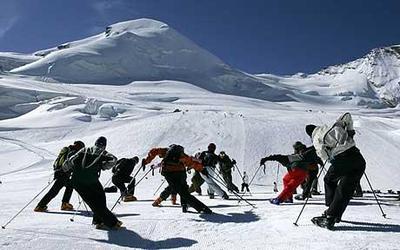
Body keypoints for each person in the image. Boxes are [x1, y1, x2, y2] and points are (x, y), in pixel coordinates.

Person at [306, 112, 366, 230]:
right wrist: (350, 132)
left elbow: (324, 156)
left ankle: (330, 210)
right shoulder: (331, 126)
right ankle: (333, 215)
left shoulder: (316, 138)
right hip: (358, 158)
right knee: (344, 189)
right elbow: (347, 116)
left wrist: (329, 158)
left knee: (328, 180)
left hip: (342, 159)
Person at [63, 136, 122, 230]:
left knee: (92, 201)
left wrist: (65, 168)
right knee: (99, 199)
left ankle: (98, 221)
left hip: (77, 181)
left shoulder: (84, 149)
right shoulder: (102, 152)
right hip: (91, 180)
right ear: (104, 145)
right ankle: (112, 222)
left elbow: (71, 160)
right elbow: (113, 159)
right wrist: (103, 166)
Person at [142, 144, 212, 214]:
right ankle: (187, 205)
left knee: (182, 192)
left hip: (169, 173)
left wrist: (146, 161)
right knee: (184, 190)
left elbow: (154, 151)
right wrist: (202, 169)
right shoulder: (182, 155)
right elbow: (192, 163)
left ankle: (202, 208)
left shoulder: (166, 151)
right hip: (181, 173)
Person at [34, 141, 85, 212]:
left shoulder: (67, 150)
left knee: (69, 186)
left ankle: (65, 203)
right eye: (81, 148)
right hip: (63, 174)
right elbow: (71, 164)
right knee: (54, 191)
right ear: (79, 146)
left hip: (59, 172)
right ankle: (40, 206)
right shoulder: (72, 152)